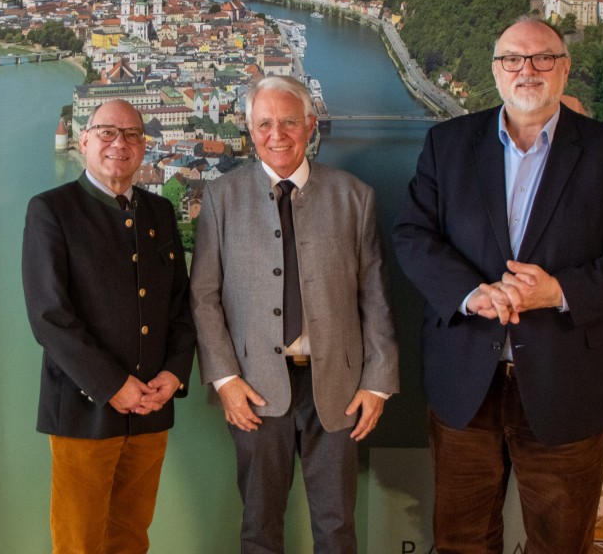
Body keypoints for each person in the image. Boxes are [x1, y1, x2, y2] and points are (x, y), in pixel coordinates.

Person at [392, 17, 603, 553]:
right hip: (464, 384)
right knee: (461, 540)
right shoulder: (447, 144)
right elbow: (412, 236)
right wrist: (471, 293)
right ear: (495, 71)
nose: (527, 70)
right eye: (512, 59)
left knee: (560, 542)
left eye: (543, 58)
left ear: (564, 69)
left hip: (567, 382)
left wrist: (560, 291)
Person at [190, 75, 399, 553]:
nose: (276, 134)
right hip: (254, 388)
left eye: (288, 121)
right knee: (259, 527)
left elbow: (375, 295)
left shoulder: (354, 196)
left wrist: (378, 382)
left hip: (341, 389)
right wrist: (224, 380)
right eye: (264, 123)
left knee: (337, 526)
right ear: (250, 129)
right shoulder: (221, 198)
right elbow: (202, 296)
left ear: (309, 125)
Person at [22, 99, 197, 553]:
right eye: (107, 132)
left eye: (133, 134)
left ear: (144, 147)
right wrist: (111, 384)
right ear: (83, 140)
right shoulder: (51, 210)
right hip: (83, 409)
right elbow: (49, 317)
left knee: (132, 538)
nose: (120, 143)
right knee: (79, 542)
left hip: (152, 408)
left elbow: (181, 306)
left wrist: (174, 375)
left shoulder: (159, 213)